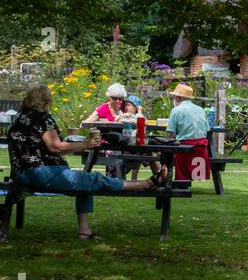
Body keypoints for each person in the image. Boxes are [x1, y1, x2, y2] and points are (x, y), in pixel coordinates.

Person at [6, 84, 158, 239]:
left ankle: (84, 231)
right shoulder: (41, 117)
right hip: (41, 172)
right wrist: (85, 144)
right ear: (46, 100)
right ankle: (141, 185)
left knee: (84, 180)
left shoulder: (20, 117)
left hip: (21, 173)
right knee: (91, 178)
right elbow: (55, 146)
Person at [165, 83, 211, 182]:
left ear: (177, 98)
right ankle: (196, 177)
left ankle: (165, 180)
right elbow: (207, 131)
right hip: (201, 149)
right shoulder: (201, 110)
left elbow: (171, 136)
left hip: (184, 150)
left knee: (166, 152)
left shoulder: (176, 110)